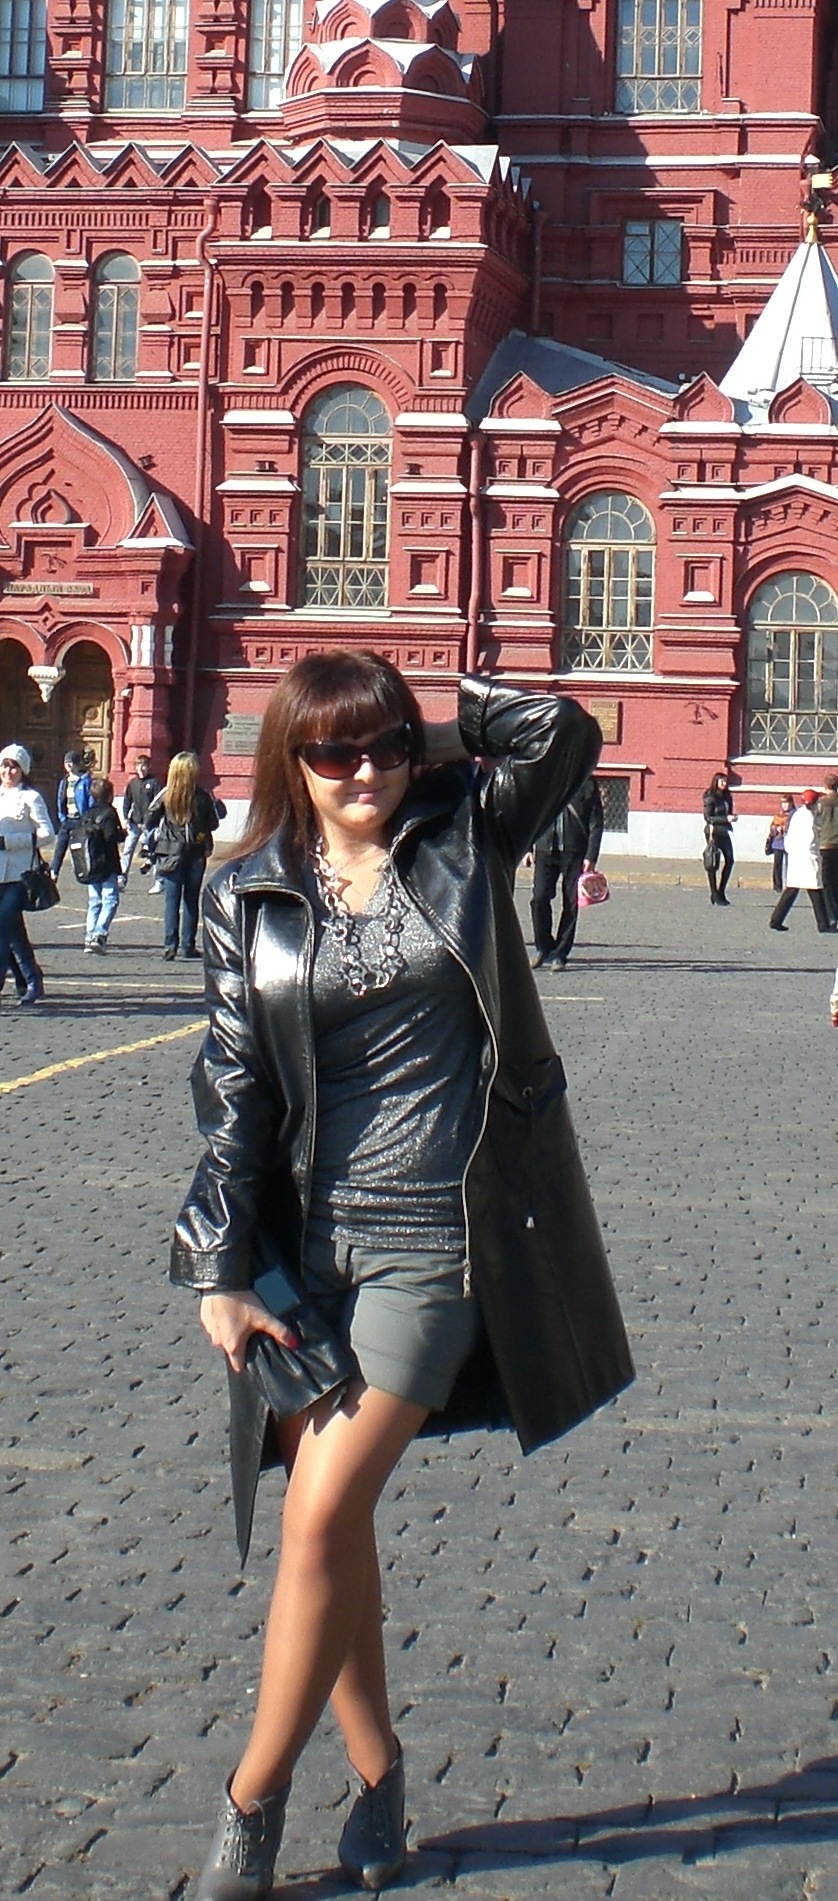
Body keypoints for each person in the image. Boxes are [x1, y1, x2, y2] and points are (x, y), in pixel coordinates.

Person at [169, 651, 634, 1901]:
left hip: (442, 1234)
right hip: (309, 1249)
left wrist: (423, 714)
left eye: (384, 746)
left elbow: (560, 729)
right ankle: (378, 1774)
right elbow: (233, 1091)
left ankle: (250, 1799)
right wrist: (220, 1266)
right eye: (334, 752)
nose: (365, 771)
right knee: (339, 1524)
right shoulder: (243, 893)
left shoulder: (465, 836)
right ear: (290, 761)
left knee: (318, 1516)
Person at [146, 750, 219, 961]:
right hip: (195, 852)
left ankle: (170, 945)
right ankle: (188, 945)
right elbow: (213, 823)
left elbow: (149, 818)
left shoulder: (166, 794)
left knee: (171, 900)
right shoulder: (202, 796)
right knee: (191, 899)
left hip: (170, 851)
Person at [529, 774, 604, 969]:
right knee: (539, 898)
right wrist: (527, 848)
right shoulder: (543, 778)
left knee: (571, 903)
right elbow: (529, 816)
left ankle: (560, 953)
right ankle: (543, 946)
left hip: (574, 850)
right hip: (545, 848)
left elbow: (596, 822)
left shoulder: (586, 782)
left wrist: (591, 856)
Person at [0, 743, 54, 1005]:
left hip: (19, 876)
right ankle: (31, 980)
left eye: (14, 767)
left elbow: (47, 833)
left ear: (23, 771)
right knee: (14, 932)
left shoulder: (31, 797)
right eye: (5, 766)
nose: (8, 772)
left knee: (2, 927)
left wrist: (11, 842)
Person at [769, 789, 831, 933]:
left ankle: (776, 919)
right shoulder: (810, 818)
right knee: (816, 889)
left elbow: (789, 836)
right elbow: (811, 841)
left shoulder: (798, 814)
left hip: (796, 857)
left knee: (792, 890)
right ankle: (823, 924)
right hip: (808, 857)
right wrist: (818, 851)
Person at [82, 775, 125, 953]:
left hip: (90, 863)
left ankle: (89, 937)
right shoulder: (109, 813)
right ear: (110, 795)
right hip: (107, 863)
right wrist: (123, 834)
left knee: (94, 901)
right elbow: (111, 836)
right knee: (110, 900)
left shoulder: (87, 813)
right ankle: (99, 934)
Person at [119, 753, 162, 888]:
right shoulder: (133, 783)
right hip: (135, 822)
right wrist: (126, 818)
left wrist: (153, 819)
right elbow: (127, 802)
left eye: (144, 766)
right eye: (138, 766)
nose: (141, 769)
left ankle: (158, 881)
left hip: (151, 824)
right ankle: (122, 878)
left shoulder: (155, 783)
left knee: (154, 850)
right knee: (127, 849)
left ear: (149, 767)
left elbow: (159, 803)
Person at [50, 749, 93, 880]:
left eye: (71, 762)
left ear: (77, 764)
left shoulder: (85, 781)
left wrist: (87, 819)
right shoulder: (65, 781)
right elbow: (60, 800)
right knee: (59, 847)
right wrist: (62, 817)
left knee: (79, 849)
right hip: (67, 820)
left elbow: (90, 800)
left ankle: (83, 873)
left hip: (80, 821)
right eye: (66, 762)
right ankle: (53, 872)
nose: (68, 765)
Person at [702, 769, 735, 905]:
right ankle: (714, 893)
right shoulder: (710, 796)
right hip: (713, 832)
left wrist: (731, 818)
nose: (724, 784)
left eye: (726, 781)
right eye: (722, 781)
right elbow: (708, 817)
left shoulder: (727, 796)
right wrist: (725, 819)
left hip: (724, 831)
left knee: (730, 860)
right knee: (713, 862)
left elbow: (728, 811)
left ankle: (721, 891)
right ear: (716, 782)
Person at [815, 771, 838, 927]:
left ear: (825, 786)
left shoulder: (820, 803)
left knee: (827, 883)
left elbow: (815, 823)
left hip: (825, 845)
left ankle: (832, 915)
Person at [764, 792, 795, 894]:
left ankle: (790, 885)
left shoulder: (794, 814)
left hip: (790, 842)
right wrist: (776, 828)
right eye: (783, 803)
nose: (785, 805)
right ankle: (777, 885)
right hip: (778, 842)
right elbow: (772, 825)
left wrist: (784, 828)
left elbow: (795, 826)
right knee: (777, 865)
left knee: (790, 865)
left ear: (791, 803)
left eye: (787, 803)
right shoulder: (779, 814)